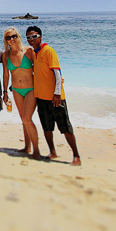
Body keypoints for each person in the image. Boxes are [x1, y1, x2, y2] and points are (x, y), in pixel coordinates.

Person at [26, 26, 81, 166]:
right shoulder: (34, 53)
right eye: (29, 37)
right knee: (47, 128)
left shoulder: (49, 51)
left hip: (55, 98)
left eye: (34, 36)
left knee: (65, 128)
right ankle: (52, 152)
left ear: (40, 37)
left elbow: (57, 73)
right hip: (41, 97)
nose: (31, 39)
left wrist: (57, 93)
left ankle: (76, 156)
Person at [2, 27, 40, 159]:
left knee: (26, 119)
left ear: (18, 36)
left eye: (13, 36)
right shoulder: (5, 55)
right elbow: (6, 75)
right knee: (23, 120)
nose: (11, 39)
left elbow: (40, 67)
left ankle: (36, 150)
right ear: (5, 40)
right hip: (16, 90)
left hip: (31, 89)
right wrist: (5, 92)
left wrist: (55, 78)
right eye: (8, 37)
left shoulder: (28, 51)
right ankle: (27, 147)